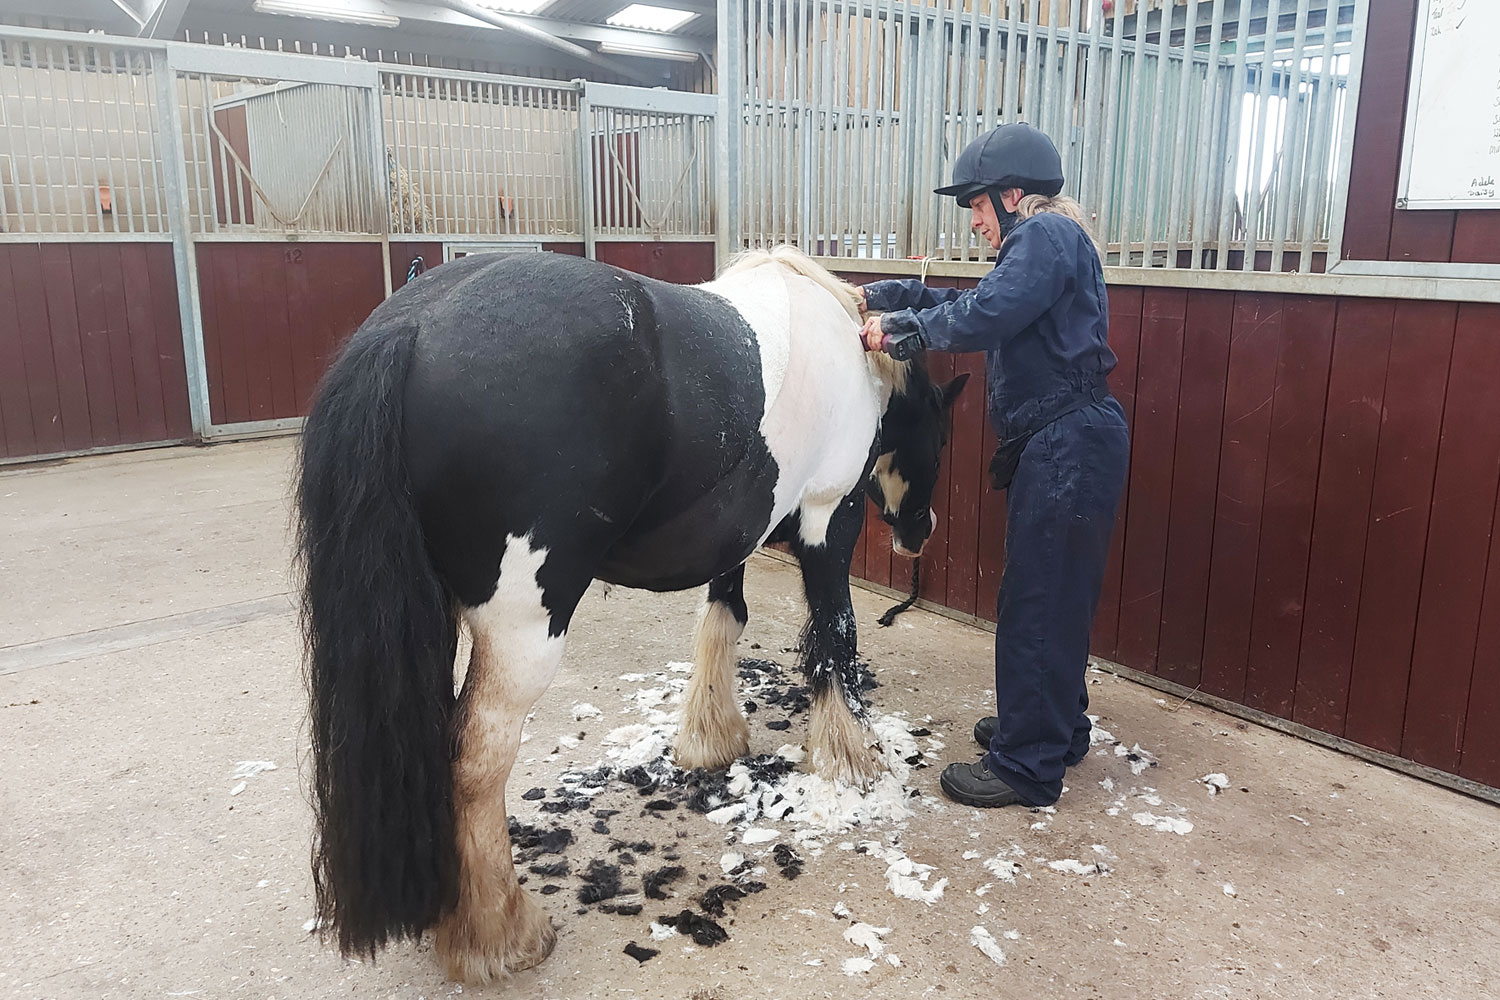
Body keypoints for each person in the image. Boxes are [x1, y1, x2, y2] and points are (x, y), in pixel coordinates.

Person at [857, 122, 1130, 809]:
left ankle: (1027, 766)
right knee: (1055, 594)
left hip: (1066, 440)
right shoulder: (1046, 245)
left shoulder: (1043, 237)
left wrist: (899, 331)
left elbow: (986, 313)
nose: (975, 221)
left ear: (1012, 195)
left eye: (978, 205)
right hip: (1067, 440)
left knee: (1038, 599)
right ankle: (1052, 728)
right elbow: (969, 305)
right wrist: (890, 295)